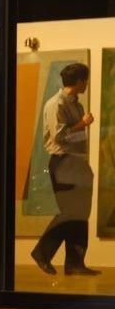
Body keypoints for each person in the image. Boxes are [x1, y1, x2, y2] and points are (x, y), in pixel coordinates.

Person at [31, 63, 99, 276]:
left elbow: (77, 138)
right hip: (62, 162)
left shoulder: (76, 105)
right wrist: (82, 123)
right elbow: (59, 137)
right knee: (69, 212)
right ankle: (42, 252)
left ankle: (75, 263)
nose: (86, 84)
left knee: (80, 213)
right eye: (85, 80)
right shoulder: (56, 104)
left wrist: (80, 128)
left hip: (76, 162)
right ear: (79, 81)